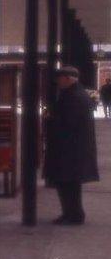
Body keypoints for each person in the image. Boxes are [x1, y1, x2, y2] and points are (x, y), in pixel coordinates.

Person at [44, 66, 99, 225]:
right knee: (68, 184)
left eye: (60, 78)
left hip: (70, 149)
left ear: (68, 78)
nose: (58, 82)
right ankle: (71, 213)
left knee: (68, 183)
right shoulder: (75, 94)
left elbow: (68, 123)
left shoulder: (73, 96)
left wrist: (50, 119)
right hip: (73, 148)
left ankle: (73, 215)